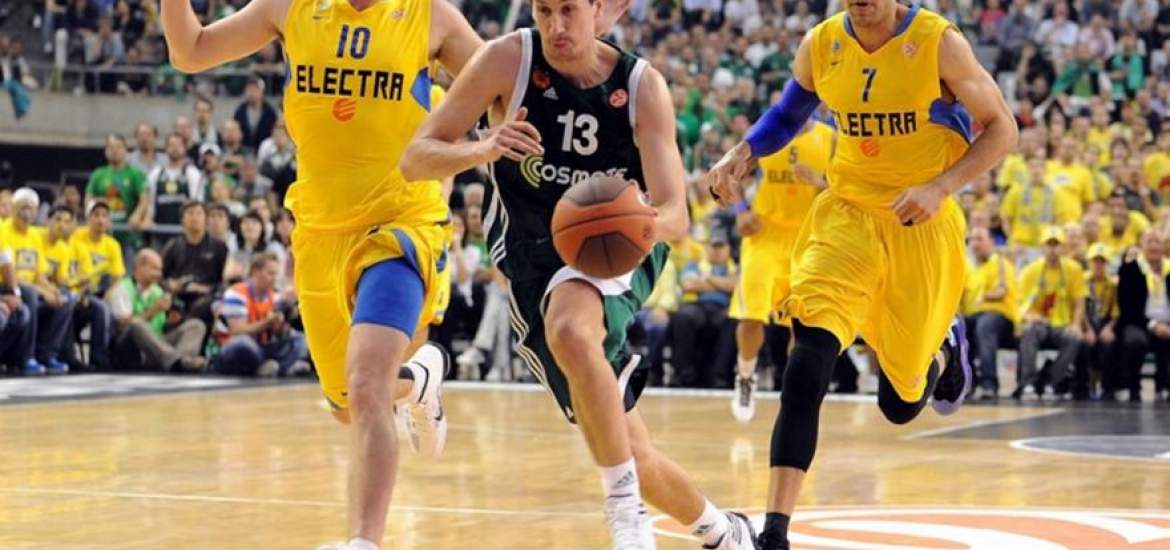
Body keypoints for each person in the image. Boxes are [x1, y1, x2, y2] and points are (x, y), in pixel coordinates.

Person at [400, 3, 758, 548]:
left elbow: (675, 215)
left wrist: (634, 221)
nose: (556, 26)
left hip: (618, 246)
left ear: (599, 10)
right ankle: (724, 532)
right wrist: (483, 147)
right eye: (544, 10)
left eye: (569, 10)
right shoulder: (506, 60)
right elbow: (415, 157)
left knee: (569, 328)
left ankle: (626, 515)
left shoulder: (642, 86)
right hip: (531, 256)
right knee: (630, 448)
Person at [161, 0, 486, 547]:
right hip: (319, 232)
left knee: (366, 384)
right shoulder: (288, 7)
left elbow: (506, 82)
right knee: (348, 407)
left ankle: (363, 541)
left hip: (401, 220)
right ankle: (419, 380)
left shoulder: (429, 16)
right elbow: (190, 51)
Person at [705, 2, 1018, 547]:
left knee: (899, 405)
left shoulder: (938, 43)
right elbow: (787, 114)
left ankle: (944, 349)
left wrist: (941, 186)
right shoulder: (821, 44)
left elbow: (1003, 128)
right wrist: (743, 150)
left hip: (920, 220)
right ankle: (774, 531)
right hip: (845, 215)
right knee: (807, 359)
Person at [727, 118, 832, 421]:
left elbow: (848, 190)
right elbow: (730, 175)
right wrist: (740, 211)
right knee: (751, 316)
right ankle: (745, 375)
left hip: (807, 237)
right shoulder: (768, 131)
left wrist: (821, 183)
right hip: (765, 235)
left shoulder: (832, 139)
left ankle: (795, 392)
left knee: (801, 324)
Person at [108, 248, 207, 372]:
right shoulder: (123, 289)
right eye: (154, 269)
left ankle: (182, 362)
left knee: (196, 325)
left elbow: (159, 328)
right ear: (140, 266)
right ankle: (175, 361)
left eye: (160, 270)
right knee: (136, 324)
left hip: (157, 348)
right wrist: (154, 310)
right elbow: (123, 327)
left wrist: (171, 323)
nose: (159, 274)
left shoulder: (158, 291)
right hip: (132, 350)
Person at [1015, 227, 1085, 399]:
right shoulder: (1030, 271)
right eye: (1049, 245)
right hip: (1039, 323)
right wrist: (1031, 317)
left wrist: (1076, 324)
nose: (1053, 249)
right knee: (1030, 333)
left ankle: (1051, 383)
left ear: (1064, 248)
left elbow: (1079, 302)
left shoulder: (1074, 269)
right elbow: (1020, 304)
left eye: (1057, 245)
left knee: (1074, 338)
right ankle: (1029, 384)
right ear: (1042, 248)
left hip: (1062, 323)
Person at [216, 252, 309, 377]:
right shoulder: (236, 294)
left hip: (262, 346)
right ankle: (276, 366)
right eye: (270, 273)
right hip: (234, 345)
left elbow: (277, 333)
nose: (274, 278)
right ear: (255, 272)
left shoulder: (275, 297)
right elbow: (236, 331)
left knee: (299, 339)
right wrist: (267, 322)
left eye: (276, 274)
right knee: (243, 344)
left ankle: (277, 367)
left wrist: (281, 326)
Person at [963, 226, 1019, 400]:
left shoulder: (1001, 263)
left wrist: (983, 296)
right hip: (974, 316)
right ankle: (967, 383)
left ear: (992, 242)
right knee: (959, 326)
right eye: (972, 240)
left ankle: (989, 384)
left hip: (1001, 317)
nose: (975, 244)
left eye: (980, 239)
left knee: (985, 325)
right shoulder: (968, 270)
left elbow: (1002, 291)